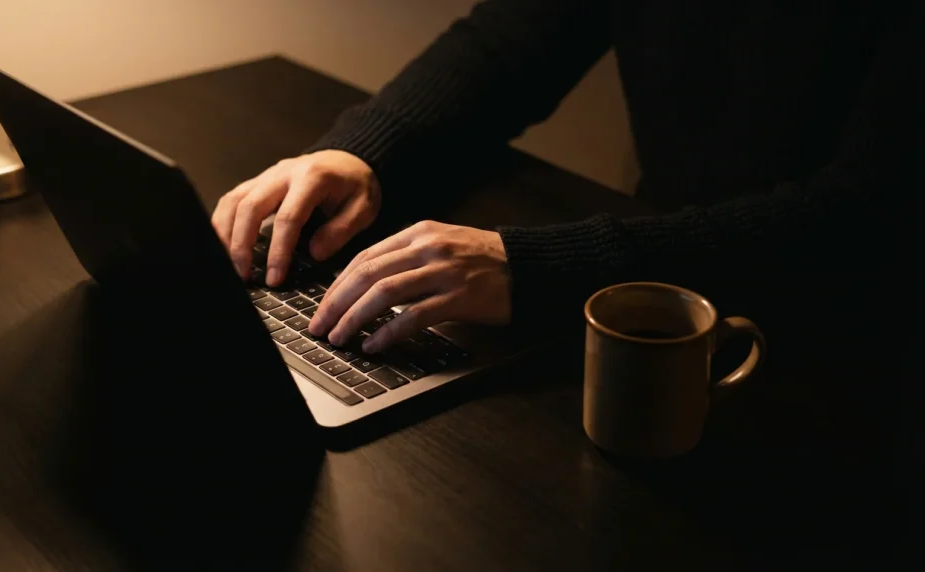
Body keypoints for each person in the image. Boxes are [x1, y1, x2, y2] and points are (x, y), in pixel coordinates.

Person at [212, 0, 915, 356]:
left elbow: (867, 220)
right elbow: (510, 44)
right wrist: (363, 153)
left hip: (850, 353)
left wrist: (536, 267)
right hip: (653, 317)